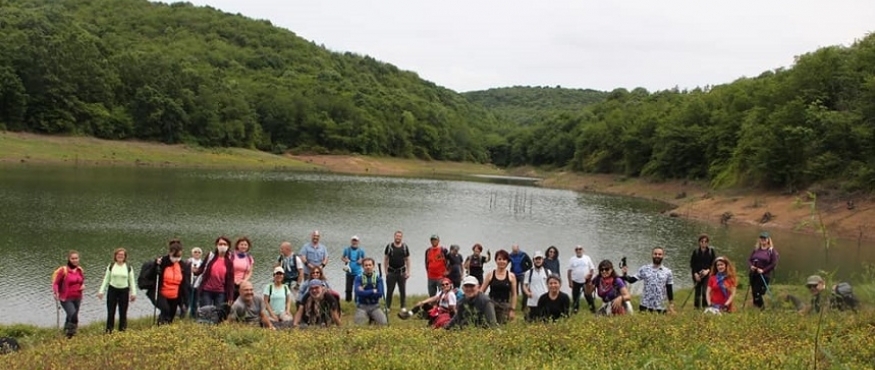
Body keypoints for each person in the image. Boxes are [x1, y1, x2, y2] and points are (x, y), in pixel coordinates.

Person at [622, 247, 675, 314]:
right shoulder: (644, 269)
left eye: (659, 254)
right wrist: (624, 274)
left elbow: (669, 288)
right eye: (655, 254)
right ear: (652, 255)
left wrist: (671, 304)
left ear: (663, 256)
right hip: (645, 305)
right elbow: (631, 280)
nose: (657, 256)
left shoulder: (668, 272)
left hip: (661, 306)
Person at [97, 248, 137, 333]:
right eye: (118, 254)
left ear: (125, 256)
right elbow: (106, 279)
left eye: (122, 255)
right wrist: (101, 291)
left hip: (124, 291)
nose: (120, 256)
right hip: (112, 290)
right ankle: (109, 331)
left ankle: (122, 332)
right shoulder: (111, 266)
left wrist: (134, 293)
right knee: (111, 312)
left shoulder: (128, 267)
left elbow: (132, 281)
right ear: (115, 256)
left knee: (123, 313)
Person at [156, 239, 192, 325]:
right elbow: (153, 273)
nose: (176, 258)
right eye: (175, 256)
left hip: (175, 295)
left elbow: (185, 283)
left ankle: (167, 331)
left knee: (171, 316)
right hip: (163, 294)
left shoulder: (183, 265)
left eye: (178, 256)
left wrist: (185, 301)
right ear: (170, 252)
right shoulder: (162, 261)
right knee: (165, 311)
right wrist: (156, 265)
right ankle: (159, 327)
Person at [195, 236, 235, 311]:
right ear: (217, 245)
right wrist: (193, 271)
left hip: (221, 292)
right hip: (206, 290)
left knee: (219, 312)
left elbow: (230, 280)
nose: (222, 246)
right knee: (205, 311)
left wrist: (230, 296)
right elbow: (201, 268)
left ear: (228, 246)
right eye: (220, 244)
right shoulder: (211, 256)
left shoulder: (229, 261)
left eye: (225, 244)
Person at [53, 250, 85, 338]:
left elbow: (82, 281)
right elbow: (55, 283)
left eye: (76, 258)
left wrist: (82, 285)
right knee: (73, 317)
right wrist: (56, 293)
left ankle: (65, 331)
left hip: (77, 297)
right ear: (69, 259)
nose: (75, 260)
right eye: (73, 258)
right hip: (66, 298)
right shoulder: (63, 270)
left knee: (70, 316)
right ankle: (70, 336)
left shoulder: (80, 270)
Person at [787, 275, 859, 314]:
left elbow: (823, 313)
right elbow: (809, 308)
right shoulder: (816, 297)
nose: (812, 288)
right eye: (809, 286)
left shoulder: (827, 295)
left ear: (822, 284)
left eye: (814, 285)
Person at [481, 249, 517, 324]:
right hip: (491, 304)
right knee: (490, 325)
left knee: (502, 327)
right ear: (496, 260)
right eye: (499, 259)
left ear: (507, 261)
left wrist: (512, 309)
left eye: (504, 259)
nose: (501, 261)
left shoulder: (511, 276)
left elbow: (514, 294)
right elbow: (482, 291)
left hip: (504, 305)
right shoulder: (490, 275)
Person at [748, 231, 779, 309]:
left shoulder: (771, 251)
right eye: (761, 238)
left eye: (765, 238)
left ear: (768, 239)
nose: (763, 240)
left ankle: (762, 308)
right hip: (753, 274)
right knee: (754, 292)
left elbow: (773, 263)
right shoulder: (756, 249)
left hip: (763, 275)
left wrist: (763, 270)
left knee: (757, 292)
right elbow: (749, 260)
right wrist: (751, 266)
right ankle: (756, 307)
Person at [354, 258, 387, 326]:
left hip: (375, 306)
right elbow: (358, 293)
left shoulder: (378, 279)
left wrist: (364, 292)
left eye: (370, 265)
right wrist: (373, 291)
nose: (368, 267)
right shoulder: (358, 278)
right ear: (363, 267)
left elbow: (380, 294)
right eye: (366, 265)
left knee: (384, 323)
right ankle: (370, 320)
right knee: (359, 325)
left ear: (373, 266)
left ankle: (373, 320)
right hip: (362, 306)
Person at [383, 230, 411, 311]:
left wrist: (408, 272)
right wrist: (385, 271)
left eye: (399, 236)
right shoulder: (389, 247)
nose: (398, 238)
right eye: (397, 236)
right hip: (391, 272)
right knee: (389, 290)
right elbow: (386, 259)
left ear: (401, 237)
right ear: (394, 237)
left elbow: (407, 259)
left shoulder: (405, 247)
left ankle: (403, 307)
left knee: (402, 290)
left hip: (402, 272)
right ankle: (387, 307)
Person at [523, 251, 551, 320]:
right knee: (533, 321)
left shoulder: (548, 272)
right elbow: (524, 285)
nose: (538, 261)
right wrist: (527, 293)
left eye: (539, 259)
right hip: (533, 302)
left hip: (545, 301)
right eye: (536, 259)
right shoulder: (529, 272)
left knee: (546, 320)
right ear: (533, 260)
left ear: (542, 260)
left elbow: (551, 284)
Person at [567, 245, 596, 313]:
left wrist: (590, 279)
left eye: (580, 249)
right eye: (577, 249)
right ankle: (575, 310)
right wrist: (570, 282)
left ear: (582, 250)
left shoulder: (587, 258)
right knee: (575, 297)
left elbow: (592, 269)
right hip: (575, 281)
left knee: (588, 296)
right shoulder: (572, 259)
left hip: (585, 281)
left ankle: (593, 309)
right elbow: (569, 271)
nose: (578, 251)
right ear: (575, 251)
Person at [690, 234, 716, 310]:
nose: (704, 243)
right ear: (699, 242)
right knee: (697, 291)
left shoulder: (711, 251)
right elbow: (692, 264)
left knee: (705, 291)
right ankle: (696, 307)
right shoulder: (696, 251)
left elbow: (713, 264)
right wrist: (695, 274)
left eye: (705, 241)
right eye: (702, 241)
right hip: (697, 274)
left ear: (708, 243)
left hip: (707, 274)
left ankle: (705, 307)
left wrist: (707, 271)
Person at [342, 235, 366, 303]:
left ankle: (357, 302)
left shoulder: (361, 251)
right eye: (353, 240)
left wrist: (361, 261)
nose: (354, 242)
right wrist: (345, 260)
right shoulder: (346, 250)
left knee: (357, 289)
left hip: (358, 273)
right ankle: (348, 302)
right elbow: (342, 257)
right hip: (349, 273)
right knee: (348, 289)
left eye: (356, 241)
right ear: (351, 241)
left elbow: (365, 260)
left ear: (358, 242)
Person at [186, 247, 203, 318]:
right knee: (188, 300)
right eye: (195, 252)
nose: (197, 253)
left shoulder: (202, 263)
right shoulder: (188, 261)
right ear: (192, 253)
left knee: (196, 301)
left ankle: (194, 315)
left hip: (198, 284)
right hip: (189, 283)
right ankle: (186, 314)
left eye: (199, 252)